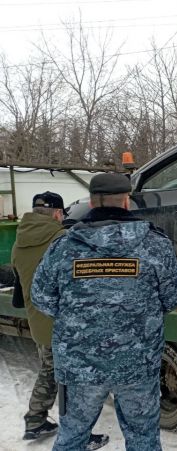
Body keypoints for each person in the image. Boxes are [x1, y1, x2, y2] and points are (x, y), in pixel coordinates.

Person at [31, 173, 177, 451]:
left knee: (72, 439)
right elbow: (173, 296)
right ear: (126, 201)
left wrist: (76, 316)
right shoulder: (155, 245)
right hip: (137, 365)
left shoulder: (63, 248)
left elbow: (41, 298)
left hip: (80, 367)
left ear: (92, 202)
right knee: (143, 440)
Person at [11, 191, 109, 450]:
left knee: (49, 372)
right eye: (61, 214)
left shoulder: (19, 241)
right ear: (56, 213)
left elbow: (20, 290)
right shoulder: (62, 240)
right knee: (73, 382)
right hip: (64, 324)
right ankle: (78, 437)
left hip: (39, 323)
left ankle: (35, 421)